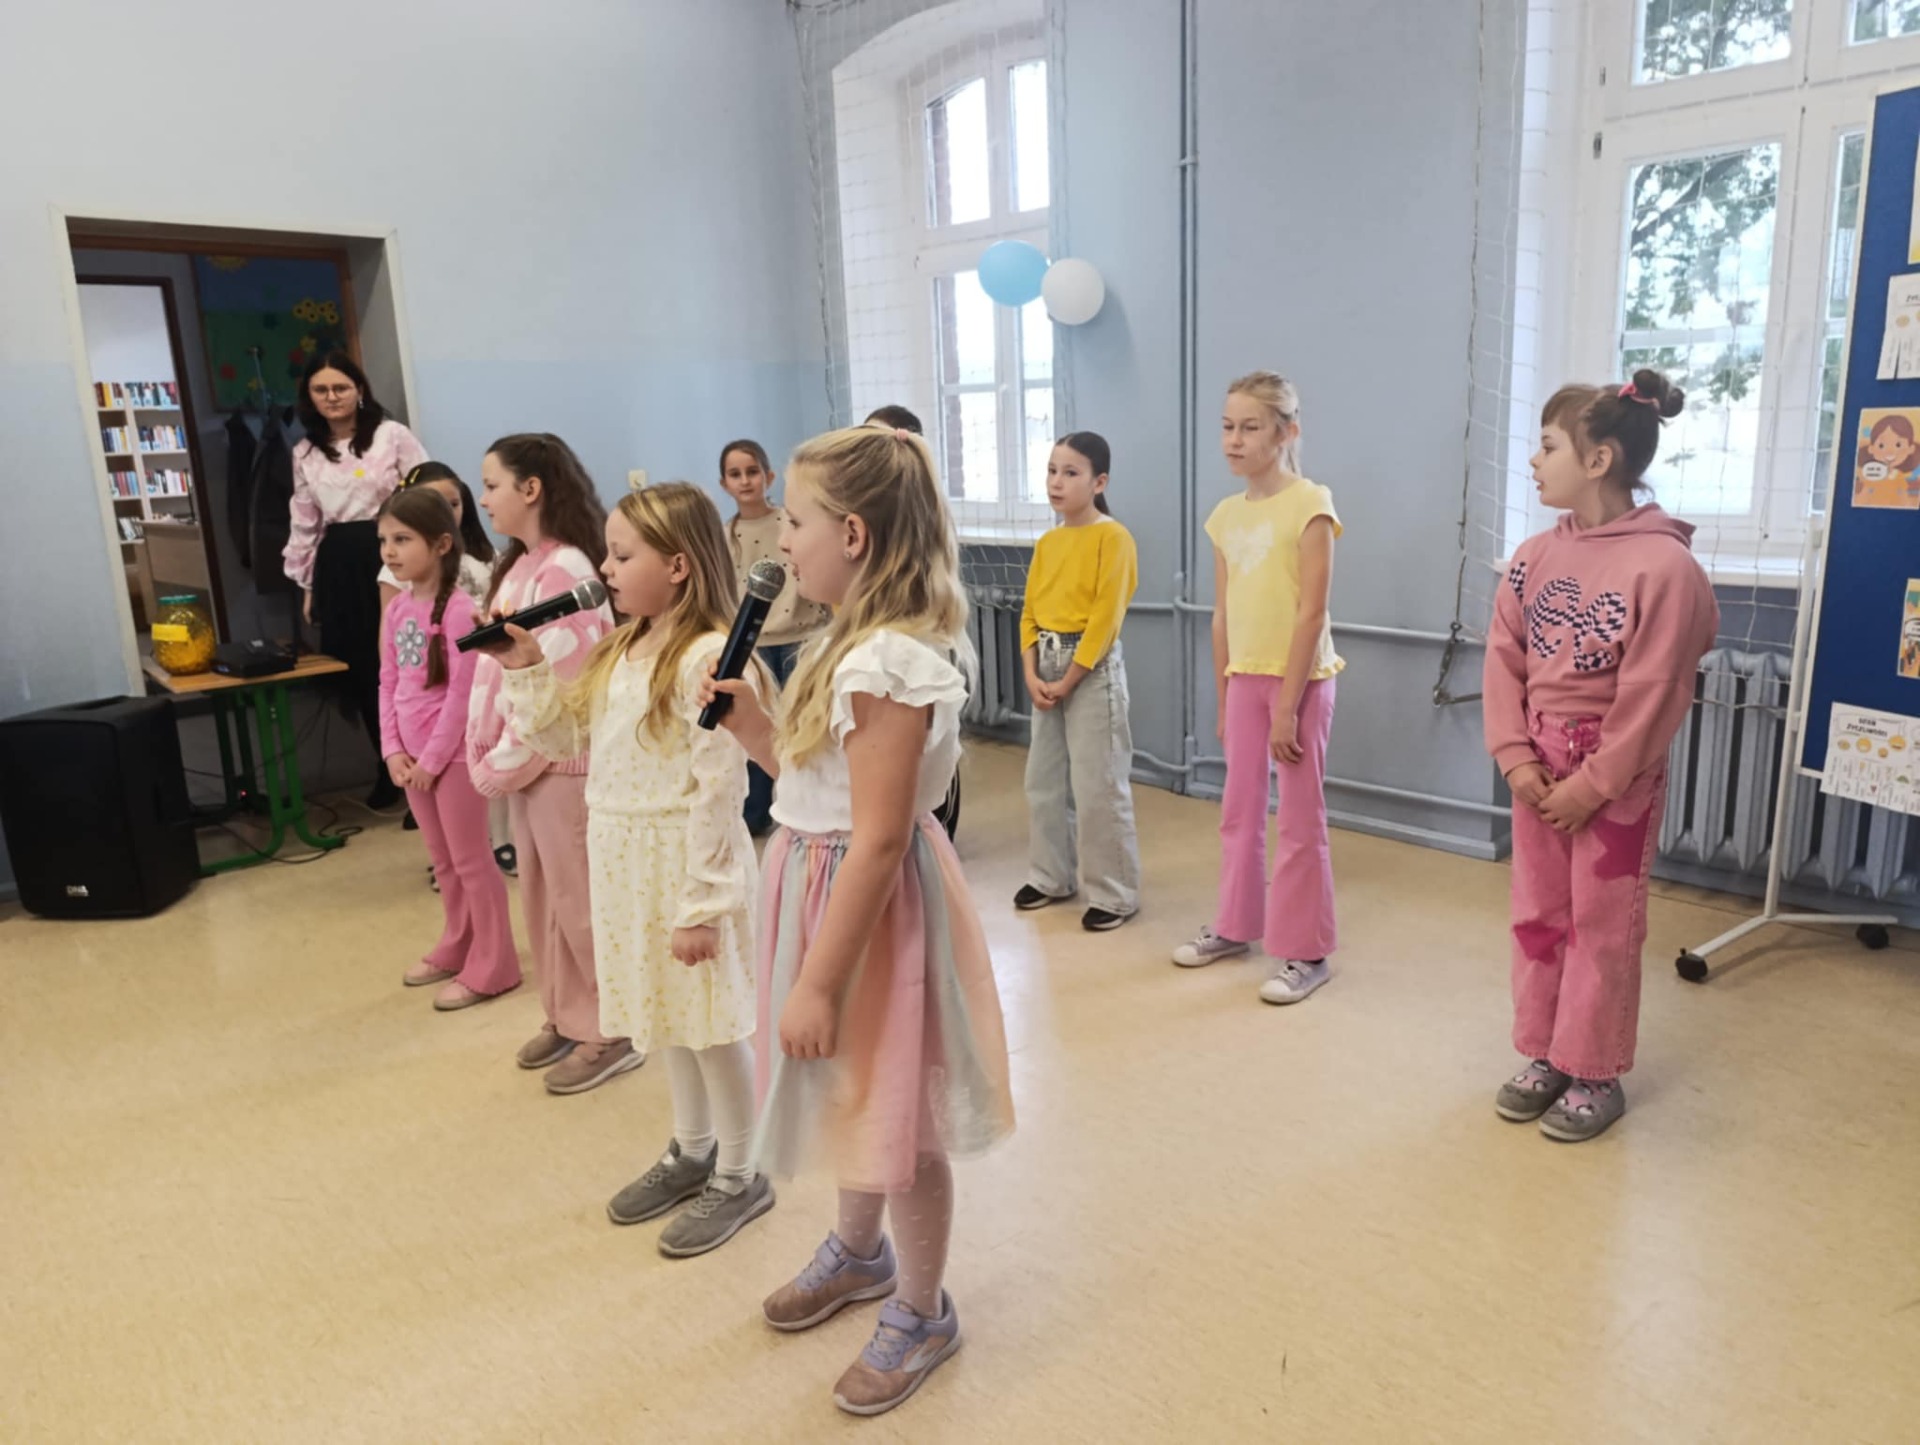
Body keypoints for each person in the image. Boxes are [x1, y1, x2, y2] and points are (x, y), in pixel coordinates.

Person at [700, 425, 1014, 1418]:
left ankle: (922, 1308)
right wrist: (755, 726)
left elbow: (876, 838)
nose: (780, 541)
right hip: (825, 886)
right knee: (854, 1093)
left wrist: (818, 980)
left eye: (794, 521)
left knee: (898, 1112)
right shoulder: (846, 638)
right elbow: (816, 786)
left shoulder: (887, 661)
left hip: (866, 913)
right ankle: (860, 1250)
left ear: (855, 535)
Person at [491, 483, 773, 1254]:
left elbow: (720, 790)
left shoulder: (710, 656)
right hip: (626, 865)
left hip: (684, 864)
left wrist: (702, 905)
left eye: (621, 555)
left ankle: (742, 1170)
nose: (607, 569)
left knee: (710, 1025)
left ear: (678, 566)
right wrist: (526, 669)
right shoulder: (621, 647)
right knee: (665, 1017)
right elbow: (560, 740)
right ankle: (692, 1148)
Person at [1482, 369, 1717, 1143]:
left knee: (1602, 923)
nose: (1534, 460)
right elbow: (1503, 660)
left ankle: (1594, 1068)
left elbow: (1657, 690)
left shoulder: (1666, 568)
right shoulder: (1531, 557)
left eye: (1548, 446)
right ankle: (1545, 1051)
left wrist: (1596, 783)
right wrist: (1516, 757)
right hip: (1537, 763)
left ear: (1598, 459)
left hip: (1614, 776)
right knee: (1539, 914)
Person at [466, 434, 637, 1093]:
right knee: (546, 902)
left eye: (493, 485)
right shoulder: (520, 566)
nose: (484, 499)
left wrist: (502, 762)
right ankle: (570, 1012)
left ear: (531, 488)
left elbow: (562, 684)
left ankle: (614, 1027)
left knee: (581, 902)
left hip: (562, 767)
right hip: (531, 769)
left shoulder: (565, 569)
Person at [1171, 372, 1343, 1007]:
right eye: (1227, 427)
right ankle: (1235, 925)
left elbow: (1311, 613)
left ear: (1286, 432)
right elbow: (1222, 616)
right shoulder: (1224, 517)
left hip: (1301, 683)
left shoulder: (1311, 505)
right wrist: (1224, 699)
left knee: (1299, 818)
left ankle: (1307, 951)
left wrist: (1288, 708)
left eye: (1249, 427)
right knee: (1238, 810)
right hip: (1244, 680)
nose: (1234, 440)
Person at [376, 487, 520, 1011]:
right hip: (412, 762)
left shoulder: (460, 612)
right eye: (384, 541)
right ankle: (459, 941)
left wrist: (433, 761)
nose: (389, 551)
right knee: (442, 861)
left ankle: (496, 961)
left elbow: (462, 696)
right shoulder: (398, 610)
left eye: (402, 539)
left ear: (440, 544)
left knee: (471, 860)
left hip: (451, 760)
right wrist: (393, 750)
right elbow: (388, 681)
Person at [284, 351, 429, 809]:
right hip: (341, 565)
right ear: (309, 397)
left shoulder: (392, 436)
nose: (332, 397)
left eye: (341, 387)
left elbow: (427, 496)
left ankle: (426, 771)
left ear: (359, 390)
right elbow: (305, 522)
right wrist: (308, 585)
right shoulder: (305, 453)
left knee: (410, 662)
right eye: (321, 390)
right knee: (365, 671)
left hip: (392, 551)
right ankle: (389, 770)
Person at [1015, 431, 1142, 930]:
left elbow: (1105, 620)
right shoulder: (1049, 542)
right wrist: (1031, 673)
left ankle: (1114, 893)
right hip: (1045, 664)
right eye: (1052, 470)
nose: (1056, 482)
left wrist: (1068, 680)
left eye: (1070, 473)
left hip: (1091, 671)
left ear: (1098, 482)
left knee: (1098, 785)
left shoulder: (1114, 538)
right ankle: (1051, 877)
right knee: (1043, 781)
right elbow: (1029, 612)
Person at [718, 437, 830, 835]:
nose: (745, 481)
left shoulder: (790, 524)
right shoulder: (725, 536)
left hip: (801, 638)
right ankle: (757, 811)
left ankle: (806, 802)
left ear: (768, 477)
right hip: (755, 647)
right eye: (735, 474)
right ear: (724, 483)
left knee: (801, 725)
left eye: (752, 472)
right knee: (758, 725)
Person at [861, 404, 962, 840]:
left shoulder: (923, 513)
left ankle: (931, 832)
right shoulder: (866, 513)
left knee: (928, 743)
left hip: (914, 643)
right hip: (882, 644)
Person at [384, 462, 495, 608]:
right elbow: (390, 620)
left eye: (454, 504)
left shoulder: (488, 555)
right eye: (434, 506)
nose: (447, 513)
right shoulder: (398, 565)